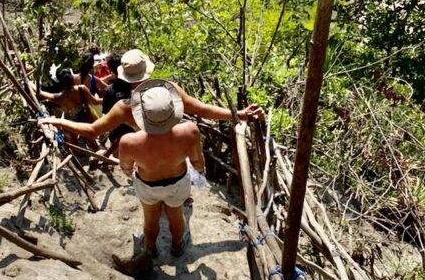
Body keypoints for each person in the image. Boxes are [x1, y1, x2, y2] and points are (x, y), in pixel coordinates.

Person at [40, 48, 265, 140]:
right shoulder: (170, 89)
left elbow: (92, 130)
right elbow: (202, 109)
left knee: (151, 220)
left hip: (148, 163)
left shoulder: (124, 107)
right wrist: (240, 115)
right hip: (176, 156)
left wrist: (56, 122)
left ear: (123, 76)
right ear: (147, 71)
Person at [118, 80, 205, 258]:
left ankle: (150, 248)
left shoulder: (129, 141)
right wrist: (200, 172)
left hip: (147, 185)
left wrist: (133, 168)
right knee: (176, 215)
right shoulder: (190, 131)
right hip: (178, 183)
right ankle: (177, 245)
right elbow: (197, 162)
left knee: (150, 219)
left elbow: (126, 168)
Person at [40, 67, 102, 146]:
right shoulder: (81, 89)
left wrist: (29, 83)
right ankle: (96, 152)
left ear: (60, 83)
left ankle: (79, 154)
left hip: (71, 122)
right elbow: (96, 101)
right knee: (91, 139)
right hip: (84, 116)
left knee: (73, 140)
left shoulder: (60, 97)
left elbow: (41, 94)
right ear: (72, 78)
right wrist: (110, 99)